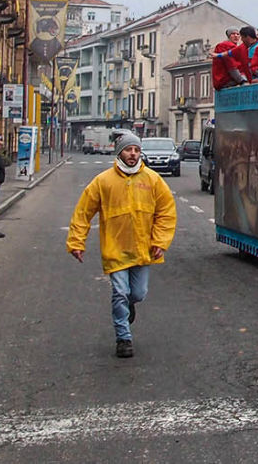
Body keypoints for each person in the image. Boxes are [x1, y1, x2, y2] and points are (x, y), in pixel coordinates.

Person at [66, 132, 177, 359]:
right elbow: (83, 213)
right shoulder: (103, 181)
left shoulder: (153, 180)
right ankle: (123, 338)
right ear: (120, 152)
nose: (133, 154)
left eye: (136, 150)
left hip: (143, 249)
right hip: (115, 248)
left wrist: (160, 242)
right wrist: (77, 242)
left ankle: (129, 305)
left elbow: (166, 213)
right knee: (120, 292)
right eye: (128, 150)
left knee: (138, 293)